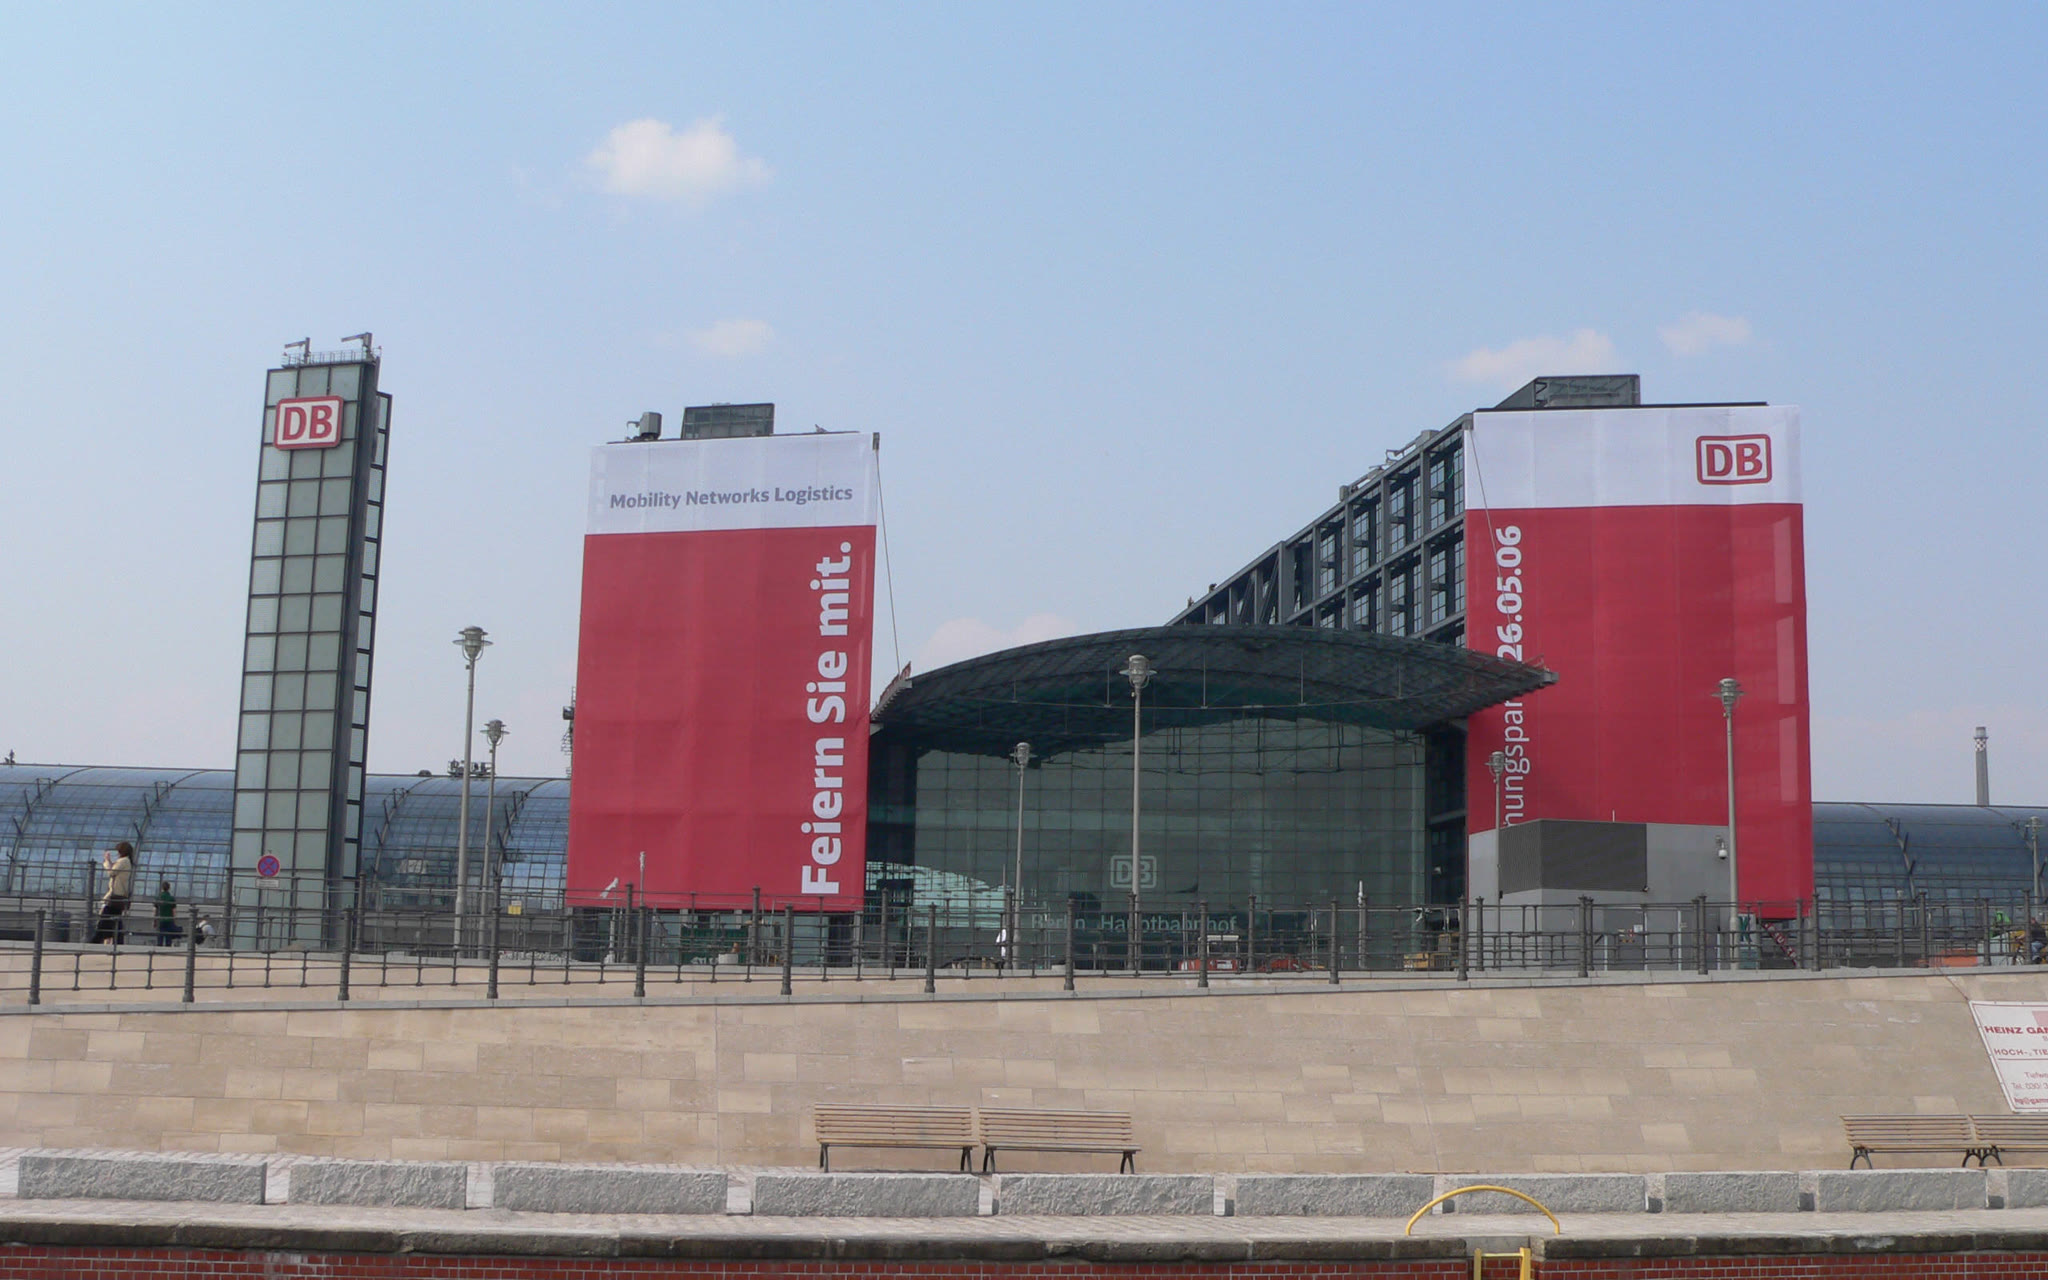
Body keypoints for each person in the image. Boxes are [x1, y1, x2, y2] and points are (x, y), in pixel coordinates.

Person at [90, 841, 135, 944]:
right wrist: (110, 861)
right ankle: (117, 941)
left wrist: (106, 861)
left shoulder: (123, 861)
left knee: (105, 919)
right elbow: (114, 870)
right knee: (115, 920)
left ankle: (95, 941)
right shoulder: (126, 861)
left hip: (115, 895)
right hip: (119, 896)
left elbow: (111, 872)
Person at [154, 880, 180, 946]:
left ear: (162, 888)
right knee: (168, 938)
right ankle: (167, 949)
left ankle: (159, 949)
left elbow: (155, 910)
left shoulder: (158, 898)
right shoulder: (171, 898)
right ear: (169, 888)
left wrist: (154, 921)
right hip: (169, 920)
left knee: (160, 937)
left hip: (160, 920)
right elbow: (174, 911)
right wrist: (174, 921)